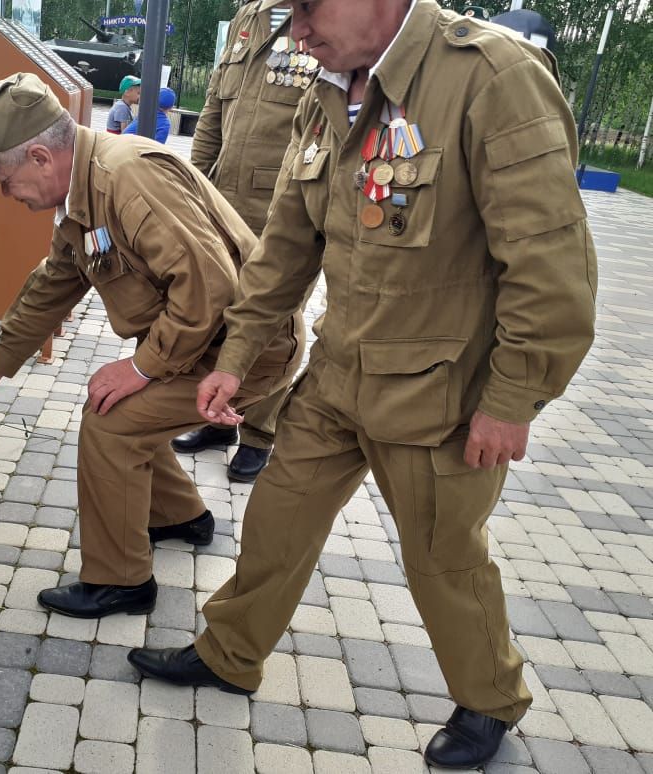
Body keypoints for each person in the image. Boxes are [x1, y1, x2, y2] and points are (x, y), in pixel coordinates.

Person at [127, 0, 597, 769]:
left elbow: (551, 265)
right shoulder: (328, 88)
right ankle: (229, 653)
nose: (295, 30)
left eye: (310, 8)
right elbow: (285, 246)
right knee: (276, 520)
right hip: (340, 377)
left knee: (444, 561)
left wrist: (515, 399)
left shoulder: (491, 77)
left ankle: (489, 698)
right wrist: (235, 358)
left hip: (440, 396)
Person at [0, 73, 303, 619]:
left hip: (244, 352)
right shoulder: (85, 191)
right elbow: (54, 283)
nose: (4, 192)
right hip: (203, 344)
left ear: (42, 157)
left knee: (110, 421)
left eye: (4, 177)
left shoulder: (127, 180)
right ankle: (180, 516)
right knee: (124, 410)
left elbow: (208, 288)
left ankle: (121, 581)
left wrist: (141, 368)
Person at [171, 0, 307, 482]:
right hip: (223, 201)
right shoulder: (252, 17)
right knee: (223, 312)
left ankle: (259, 434)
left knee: (274, 320)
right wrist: (195, 182)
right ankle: (219, 421)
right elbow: (213, 109)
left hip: (283, 209)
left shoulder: (323, 18)